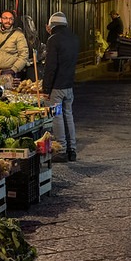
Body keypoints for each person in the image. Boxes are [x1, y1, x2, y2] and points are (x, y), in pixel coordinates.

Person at [43, 12, 80, 162]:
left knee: (57, 116)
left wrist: (46, 89)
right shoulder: (74, 39)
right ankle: (72, 149)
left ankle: (61, 150)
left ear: (52, 26)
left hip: (57, 88)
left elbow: (51, 67)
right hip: (69, 86)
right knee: (68, 115)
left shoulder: (53, 40)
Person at [0, 10, 29, 77]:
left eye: (10, 19)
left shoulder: (19, 35)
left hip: (11, 73)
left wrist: (13, 70)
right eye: (5, 18)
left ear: (13, 21)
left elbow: (24, 55)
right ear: (1, 20)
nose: (8, 21)